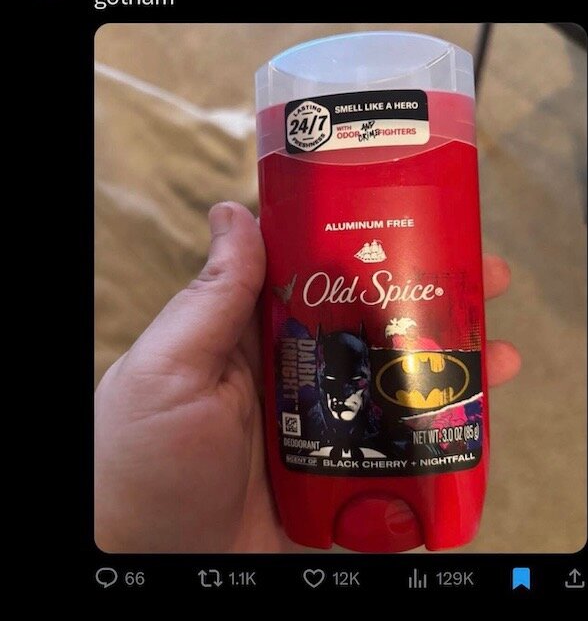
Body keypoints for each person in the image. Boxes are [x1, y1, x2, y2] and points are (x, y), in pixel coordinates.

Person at [94, 202, 521, 552]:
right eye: (330, 383)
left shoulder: (399, 432)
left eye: (352, 384)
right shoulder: (317, 429)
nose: (339, 397)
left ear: (370, 383)